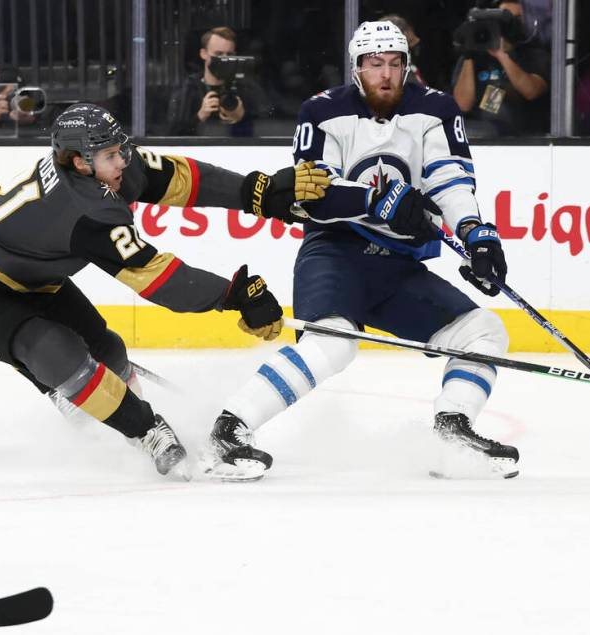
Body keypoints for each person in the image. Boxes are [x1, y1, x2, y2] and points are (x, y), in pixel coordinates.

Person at [0, 103, 329, 477]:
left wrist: (256, 192)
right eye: (111, 156)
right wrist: (233, 295)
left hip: (30, 279)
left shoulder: (109, 167)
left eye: (122, 150)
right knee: (52, 347)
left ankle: (104, 421)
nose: (123, 161)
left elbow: (184, 178)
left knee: (109, 352)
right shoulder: (88, 210)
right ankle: (145, 430)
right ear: (81, 163)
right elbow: (157, 279)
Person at [201, 21, 517, 482]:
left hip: (398, 265)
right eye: (375, 64)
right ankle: (230, 428)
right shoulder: (321, 111)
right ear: (357, 68)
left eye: (395, 63)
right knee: (333, 343)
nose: (386, 74)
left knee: (484, 332)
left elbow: (449, 179)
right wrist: (376, 200)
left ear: (407, 66)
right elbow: (312, 190)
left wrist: (475, 234)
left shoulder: (435, 109)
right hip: (335, 251)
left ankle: (454, 430)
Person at [451, 0, 550, 136]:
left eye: (516, 20)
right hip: (481, 135)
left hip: (524, 139)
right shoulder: (474, 58)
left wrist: (502, 55)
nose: (509, 26)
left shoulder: (535, 56)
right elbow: (462, 104)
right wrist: (470, 53)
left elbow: (531, 91)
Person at [161, 26, 271, 136]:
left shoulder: (246, 87)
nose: (224, 59)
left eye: (229, 54)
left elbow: (274, 123)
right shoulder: (188, 89)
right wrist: (200, 116)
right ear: (203, 54)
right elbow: (170, 136)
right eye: (218, 54)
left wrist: (243, 116)